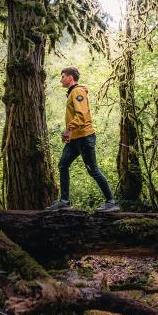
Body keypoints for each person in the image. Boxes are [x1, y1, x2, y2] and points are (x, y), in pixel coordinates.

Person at [45, 67, 120, 212]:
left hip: (84, 137)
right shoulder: (72, 92)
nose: (61, 79)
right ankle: (64, 201)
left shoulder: (77, 91)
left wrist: (69, 129)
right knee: (63, 165)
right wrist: (70, 133)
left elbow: (81, 115)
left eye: (62, 76)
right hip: (75, 138)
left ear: (70, 78)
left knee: (93, 170)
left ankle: (111, 202)